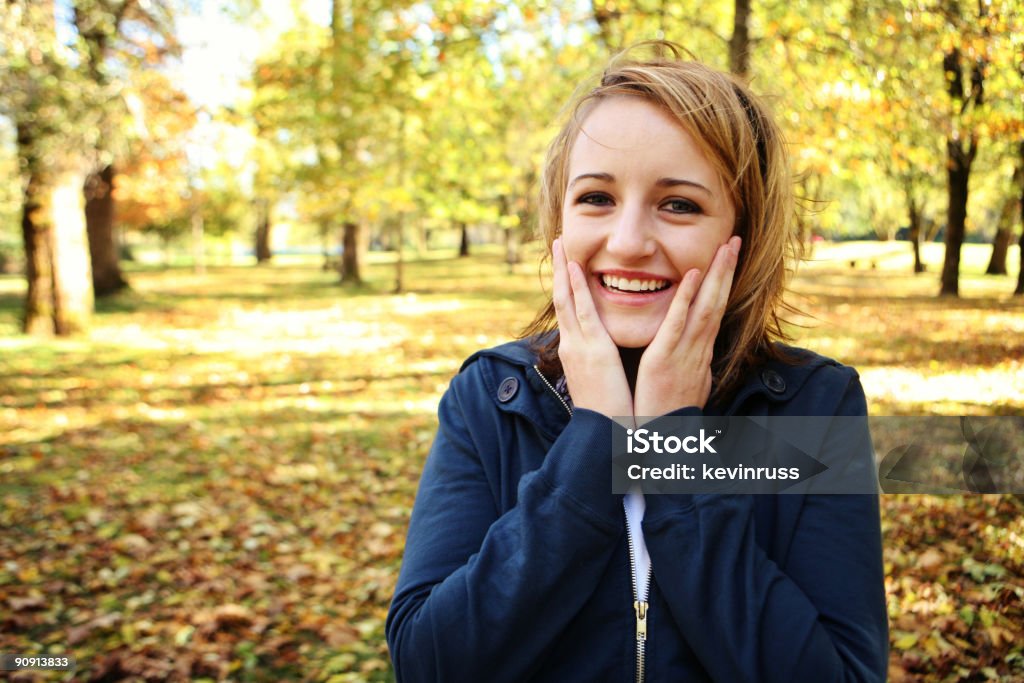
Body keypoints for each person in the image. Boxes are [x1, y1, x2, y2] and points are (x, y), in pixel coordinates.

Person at [386, 42, 888, 682]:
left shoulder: (817, 407)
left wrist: (673, 444)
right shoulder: (492, 397)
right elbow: (430, 664)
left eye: (679, 204)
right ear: (559, 219)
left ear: (746, 230)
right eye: (596, 198)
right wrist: (595, 437)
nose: (627, 243)